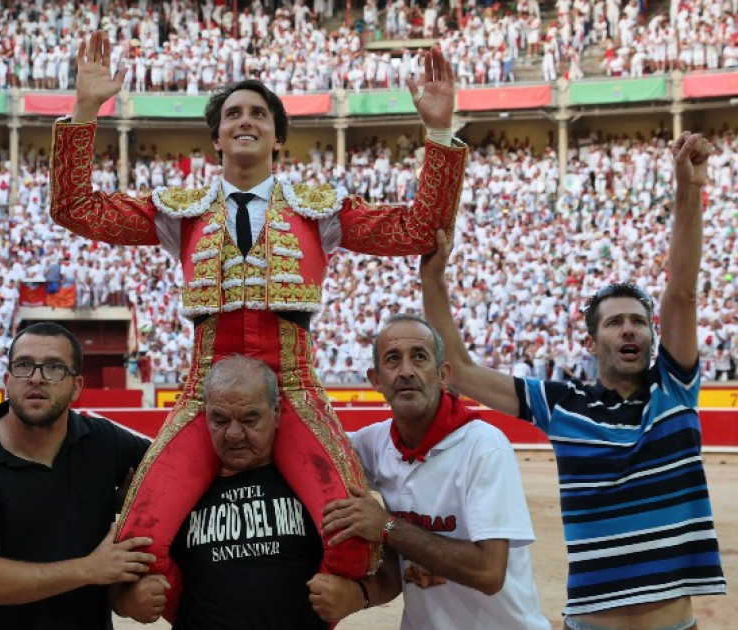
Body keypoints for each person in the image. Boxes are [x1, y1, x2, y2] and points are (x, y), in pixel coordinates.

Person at [49, 30, 468, 616]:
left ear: (277, 136)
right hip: (205, 393)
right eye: (232, 113)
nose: (245, 120)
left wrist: (440, 134)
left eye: (258, 113)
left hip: (291, 389)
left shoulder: (319, 207)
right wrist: (87, 109)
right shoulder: (180, 209)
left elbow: (418, 230)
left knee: (350, 531)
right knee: (139, 536)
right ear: (216, 138)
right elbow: (74, 209)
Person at [419, 131, 727, 629]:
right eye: (614, 321)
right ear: (592, 341)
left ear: (653, 335)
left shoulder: (674, 388)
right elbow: (457, 367)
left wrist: (688, 191)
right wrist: (432, 280)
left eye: (638, 321)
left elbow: (682, 294)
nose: (629, 327)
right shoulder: (562, 404)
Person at [110, 355, 402, 627]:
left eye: (250, 420)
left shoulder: (311, 489)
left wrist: (360, 595)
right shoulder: (177, 496)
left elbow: (395, 573)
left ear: (276, 414)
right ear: (205, 417)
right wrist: (125, 601)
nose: (234, 434)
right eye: (220, 420)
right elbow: (115, 581)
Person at [321, 315, 550, 629]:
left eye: (419, 357)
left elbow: (488, 573)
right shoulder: (374, 443)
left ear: (443, 375)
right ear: (376, 379)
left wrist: (387, 526)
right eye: (392, 359)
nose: (406, 371)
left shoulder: (483, 446)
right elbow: (314, 451)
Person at [0, 322, 153, 630]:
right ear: (7, 380)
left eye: (54, 367)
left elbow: (168, 473)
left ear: (77, 385)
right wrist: (90, 569)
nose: (37, 377)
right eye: (24, 365)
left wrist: (135, 504)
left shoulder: (104, 441)